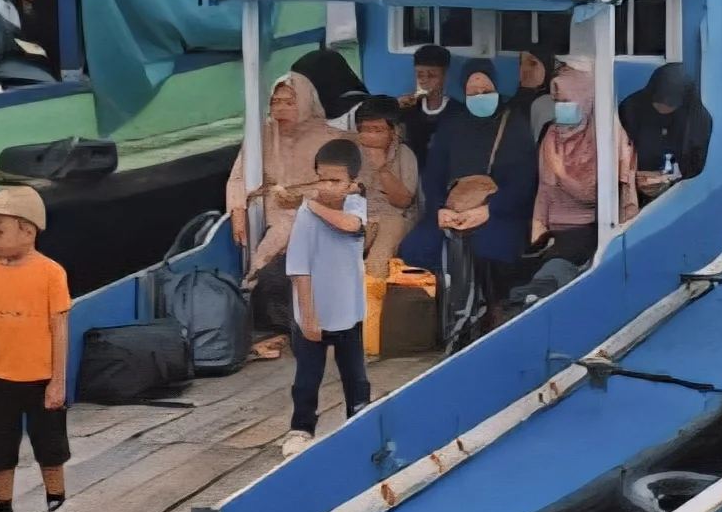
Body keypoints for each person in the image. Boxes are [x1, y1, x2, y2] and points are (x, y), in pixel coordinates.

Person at [0, 183, 79, 512]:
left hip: (41, 377)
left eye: (0, 231)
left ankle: (56, 508)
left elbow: (59, 328)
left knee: (51, 447)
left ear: (28, 231)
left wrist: (58, 381)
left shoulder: (51, 273)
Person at [224, 69, 335, 356]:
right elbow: (238, 176)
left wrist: (302, 196)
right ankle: (270, 318)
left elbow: (338, 186)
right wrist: (237, 209)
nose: (281, 110)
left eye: (289, 102)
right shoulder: (262, 133)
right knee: (274, 255)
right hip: (275, 206)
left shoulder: (327, 136)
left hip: (316, 206)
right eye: (276, 103)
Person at [281, 138, 372, 458]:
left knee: (355, 375)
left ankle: (359, 420)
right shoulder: (305, 219)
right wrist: (308, 316)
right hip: (314, 313)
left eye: (336, 181)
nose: (327, 186)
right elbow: (299, 270)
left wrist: (312, 203)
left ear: (352, 184)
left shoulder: (355, 205)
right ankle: (301, 428)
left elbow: (351, 225)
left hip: (349, 311)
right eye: (321, 179)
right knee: (307, 377)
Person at [421, 53, 536, 281]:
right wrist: (439, 209)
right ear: (464, 93)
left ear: (496, 88)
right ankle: (437, 312)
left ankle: (491, 310)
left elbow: (524, 183)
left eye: (486, 90)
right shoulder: (452, 126)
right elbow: (433, 174)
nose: (480, 96)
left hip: (502, 212)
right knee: (420, 247)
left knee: (492, 246)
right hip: (453, 209)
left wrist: (488, 210)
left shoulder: (515, 125)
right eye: (473, 92)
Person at [531, 60, 640, 266]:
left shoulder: (604, 138)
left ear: (584, 100)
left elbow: (593, 196)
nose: (561, 109)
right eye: (558, 102)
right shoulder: (553, 134)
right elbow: (544, 189)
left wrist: (561, 171)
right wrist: (538, 230)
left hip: (587, 230)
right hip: (553, 229)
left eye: (567, 102)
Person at [349, 97, 422, 275]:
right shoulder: (352, 151)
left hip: (395, 217)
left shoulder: (404, 154)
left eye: (378, 129)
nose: (371, 136)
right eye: (366, 129)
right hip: (358, 216)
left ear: (394, 131)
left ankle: (373, 301)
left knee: (377, 262)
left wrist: (382, 169)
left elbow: (403, 202)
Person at [619, 60, 711, 199]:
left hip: (679, 195)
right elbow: (621, 154)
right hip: (635, 192)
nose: (663, 109)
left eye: (670, 105)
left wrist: (671, 180)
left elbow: (695, 165)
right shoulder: (632, 109)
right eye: (658, 103)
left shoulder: (697, 119)